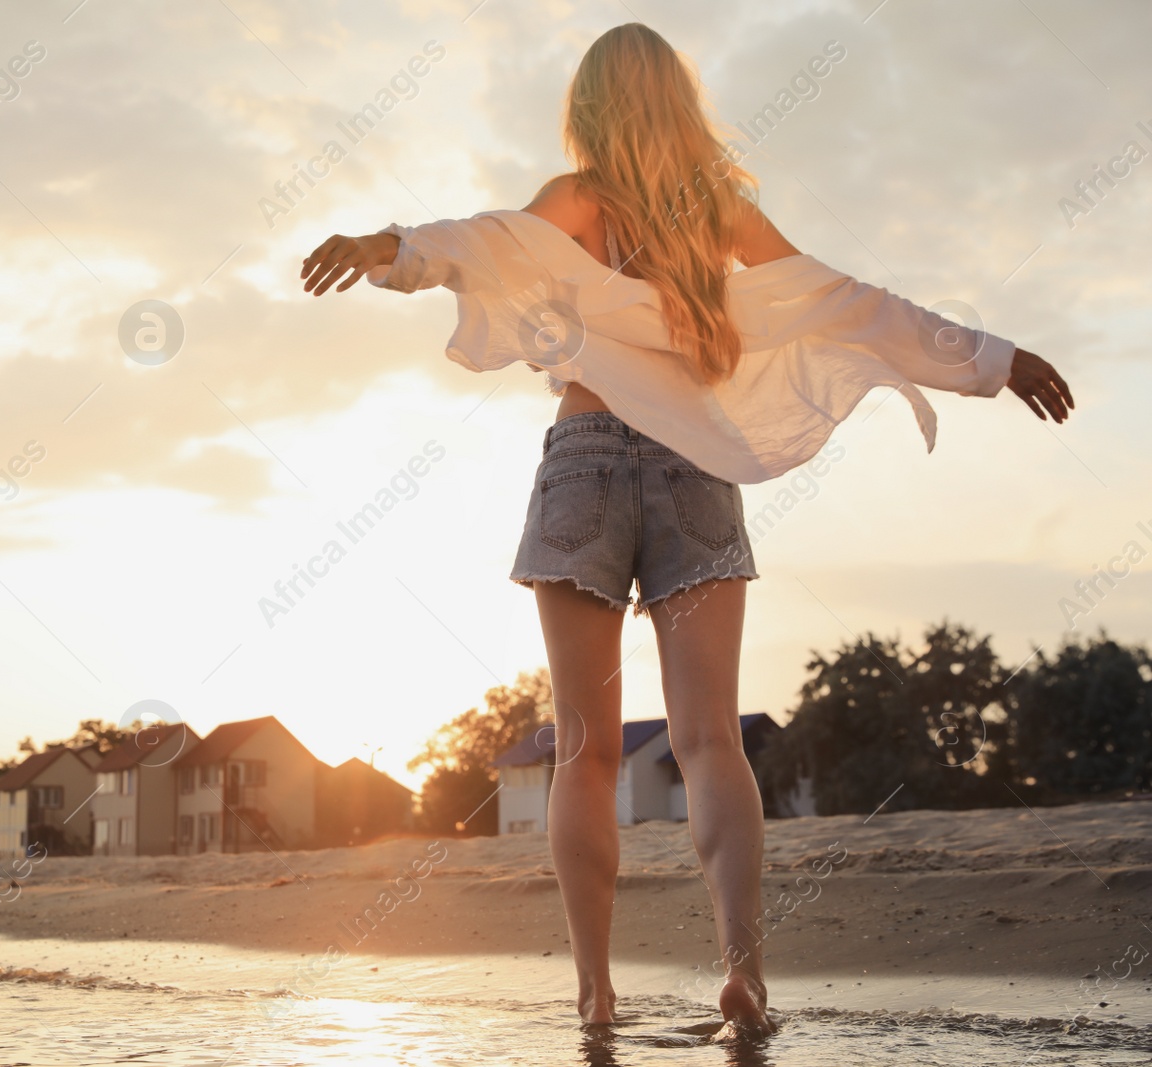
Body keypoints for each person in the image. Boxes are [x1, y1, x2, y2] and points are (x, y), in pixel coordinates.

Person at [299, 23, 1072, 1039]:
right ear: (677, 103)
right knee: (710, 740)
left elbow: (481, 240)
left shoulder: (576, 198)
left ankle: (594, 991)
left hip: (582, 461)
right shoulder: (719, 212)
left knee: (581, 748)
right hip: (695, 467)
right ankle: (742, 976)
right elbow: (846, 303)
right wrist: (991, 358)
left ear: (589, 109)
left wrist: (392, 249)